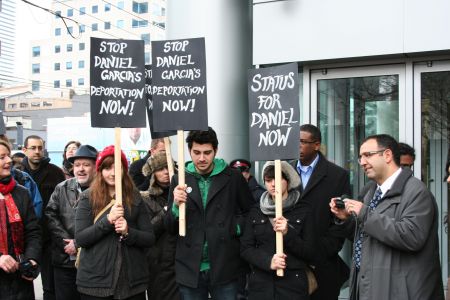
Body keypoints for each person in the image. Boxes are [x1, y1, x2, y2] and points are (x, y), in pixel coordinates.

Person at [330, 134, 444, 300]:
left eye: (368, 155)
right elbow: (367, 236)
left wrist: (364, 213)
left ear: (388, 155)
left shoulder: (416, 192)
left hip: (400, 292)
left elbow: (411, 236)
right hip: (370, 287)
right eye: (360, 157)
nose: (362, 162)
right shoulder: (371, 191)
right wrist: (347, 219)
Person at [166, 127, 252, 300]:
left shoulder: (233, 177)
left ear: (216, 151)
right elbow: (169, 227)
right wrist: (175, 205)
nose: (202, 158)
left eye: (207, 152)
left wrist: (234, 228)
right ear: (189, 151)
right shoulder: (179, 179)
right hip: (190, 266)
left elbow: (250, 211)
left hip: (225, 264)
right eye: (196, 152)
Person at [75, 145, 154, 300]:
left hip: (132, 281)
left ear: (124, 170)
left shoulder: (135, 197)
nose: (112, 173)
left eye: (117, 168)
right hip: (95, 282)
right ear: (100, 171)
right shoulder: (87, 198)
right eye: (107, 168)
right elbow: (81, 239)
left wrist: (128, 232)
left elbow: (149, 238)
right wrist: (107, 220)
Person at [289, 124, 351, 300]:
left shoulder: (337, 175)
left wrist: (321, 251)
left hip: (323, 264)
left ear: (316, 145)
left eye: (302, 142)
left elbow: (340, 220)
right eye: (295, 141)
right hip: (290, 262)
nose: (297, 146)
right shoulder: (284, 171)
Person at [240, 161, 315, 300]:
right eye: (268, 180)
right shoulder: (256, 210)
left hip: (293, 287)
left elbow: (311, 252)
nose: (273, 184)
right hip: (261, 287)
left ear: (288, 180)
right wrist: (268, 261)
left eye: (278, 179)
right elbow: (245, 249)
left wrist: (288, 234)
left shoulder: (303, 209)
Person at [45, 145, 98, 300]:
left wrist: (79, 242)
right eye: (77, 165)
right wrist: (66, 243)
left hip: (93, 261)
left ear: (96, 167)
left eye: (86, 165)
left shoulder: (103, 190)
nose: (81, 169)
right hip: (65, 260)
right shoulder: (62, 188)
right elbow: (50, 215)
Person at [22, 135, 66, 300]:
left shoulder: (55, 172)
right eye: (33, 148)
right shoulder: (18, 173)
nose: (37, 152)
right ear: (25, 150)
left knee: (50, 287)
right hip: (24, 238)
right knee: (23, 283)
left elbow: (62, 204)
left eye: (40, 148)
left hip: (49, 238)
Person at [0, 140, 42, 300]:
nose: (9, 161)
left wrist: (31, 259)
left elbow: (33, 231)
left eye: (8, 156)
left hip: (20, 279)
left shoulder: (21, 193)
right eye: (2, 157)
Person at [140, 152, 180, 300]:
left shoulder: (183, 194)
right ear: (152, 174)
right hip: (158, 263)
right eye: (160, 169)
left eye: (167, 167)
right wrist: (167, 211)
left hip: (181, 259)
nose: (165, 172)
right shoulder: (144, 199)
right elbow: (147, 230)